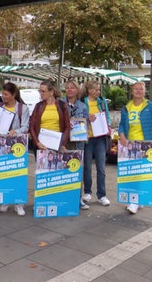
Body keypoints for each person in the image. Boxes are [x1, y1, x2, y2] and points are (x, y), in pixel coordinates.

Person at [118, 82, 152, 214]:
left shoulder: (150, 107)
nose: (138, 91)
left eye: (141, 89)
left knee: (140, 174)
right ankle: (137, 199)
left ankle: (134, 201)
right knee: (132, 173)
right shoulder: (126, 108)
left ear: (144, 91)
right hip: (129, 145)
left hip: (145, 145)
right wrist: (122, 136)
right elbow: (121, 125)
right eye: (135, 89)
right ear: (132, 91)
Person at [0, 82, 30, 216]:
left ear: (14, 94)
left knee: (19, 174)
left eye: (6, 94)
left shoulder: (22, 108)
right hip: (3, 145)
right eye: (2, 94)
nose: (4, 97)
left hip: (18, 146)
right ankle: (6, 199)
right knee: (5, 173)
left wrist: (15, 132)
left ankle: (19, 203)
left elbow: (25, 126)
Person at [80, 80, 111, 207]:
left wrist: (108, 126)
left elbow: (107, 116)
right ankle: (87, 192)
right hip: (88, 138)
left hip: (100, 137)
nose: (98, 92)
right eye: (96, 90)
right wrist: (88, 117)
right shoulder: (83, 102)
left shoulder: (102, 102)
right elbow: (79, 117)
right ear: (89, 90)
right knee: (87, 167)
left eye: (99, 90)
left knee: (101, 168)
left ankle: (102, 194)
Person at [61, 80, 89, 210]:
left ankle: (78, 198)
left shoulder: (82, 106)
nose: (69, 90)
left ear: (77, 90)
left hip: (78, 142)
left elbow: (85, 123)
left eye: (72, 88)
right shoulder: (60, 103)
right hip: (65, 140)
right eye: (67, 88)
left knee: (78, 169)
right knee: (63, 168)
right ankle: (64, 196)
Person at [29, 80, 71, 162]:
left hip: (56, 143)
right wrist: (37, 142)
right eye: (40, 91)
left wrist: (62, 144)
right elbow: (32, 126)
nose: (41, 93)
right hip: (41, 144)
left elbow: (67, 126)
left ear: (51, 92)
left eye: (43, 91)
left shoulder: (62, 105)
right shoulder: (38, 106)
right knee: (42, 171)